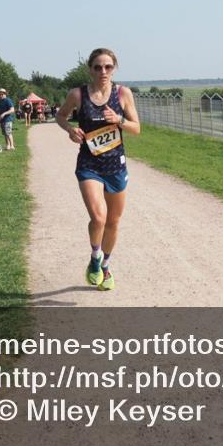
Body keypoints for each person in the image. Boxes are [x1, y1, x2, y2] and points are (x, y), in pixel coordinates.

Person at [56, 48, 140, 292]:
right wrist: (71, 130)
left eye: (108, 67)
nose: (103, 71)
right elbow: (61, 116)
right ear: (90, 69)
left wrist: (119, 120)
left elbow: (136, 128)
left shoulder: (123, 94)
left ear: (114, 68)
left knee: (113, 221)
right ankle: (95, 257)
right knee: (99, 217)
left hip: (115, 164)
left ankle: (106, 265)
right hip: (89, 164)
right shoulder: (78, 95)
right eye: (97, 67)